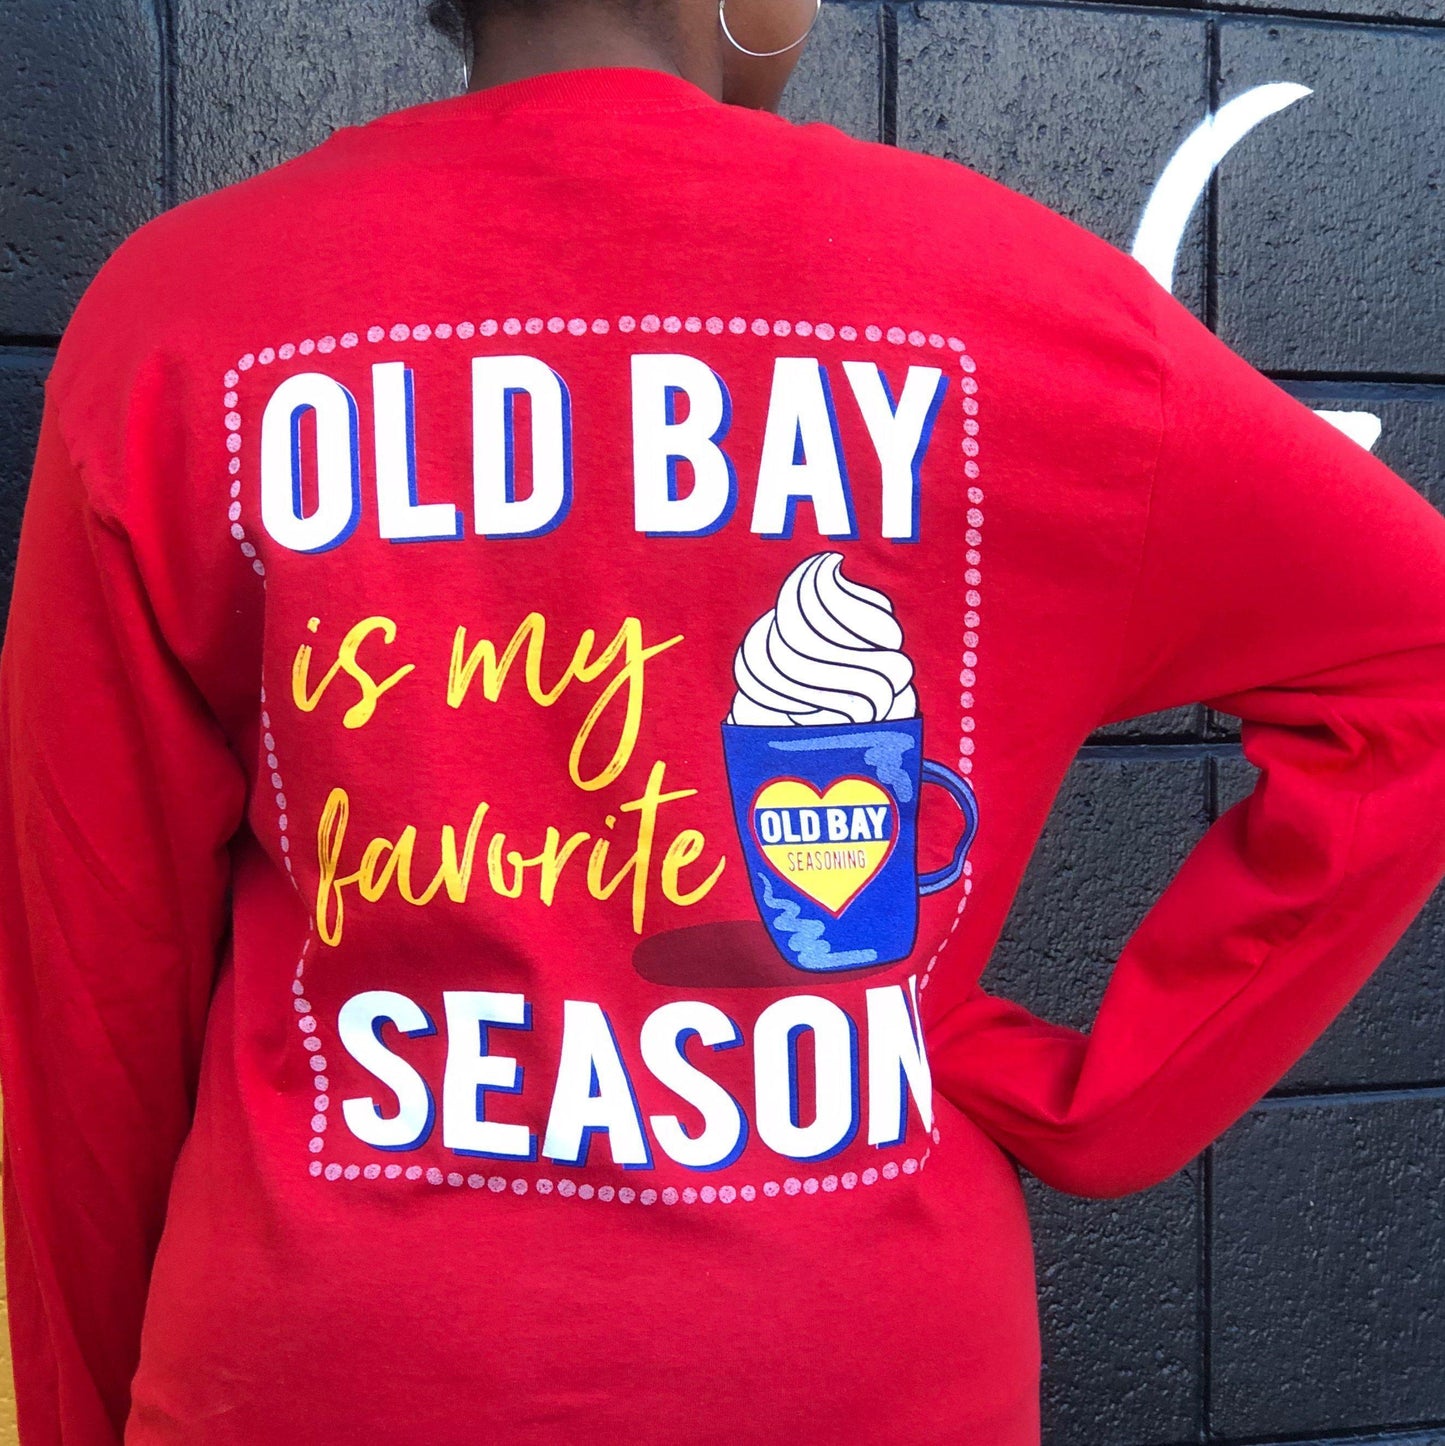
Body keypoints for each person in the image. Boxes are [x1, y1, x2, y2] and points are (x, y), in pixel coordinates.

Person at [2, 0, 1444, 1440]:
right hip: (859, 1374)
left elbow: (85, 1011)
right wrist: (1104, 1103)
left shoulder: (182, 318)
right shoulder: (1031, 312)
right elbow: (1415, 656)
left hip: (313, 1371)